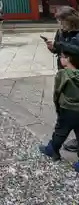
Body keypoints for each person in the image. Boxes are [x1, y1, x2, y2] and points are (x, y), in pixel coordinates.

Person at [39, 42, 79, 173]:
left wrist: (58, 107)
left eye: (61, 56)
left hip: (67, 109)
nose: (60, 58)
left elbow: (57, 92)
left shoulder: (63, 74)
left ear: (68, 59)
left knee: (60, 131)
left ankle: (53, 150)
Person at [45, 6, 79, 153]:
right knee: (68, 108)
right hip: (64, 74)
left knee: (70, 110)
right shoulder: (60, 32)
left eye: (62, 21)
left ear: (70, 20)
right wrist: (52, 47)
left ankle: (53, 147)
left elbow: (76, 49)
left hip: (76, 75)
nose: (60, 24)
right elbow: (59, 48)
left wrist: (59, 45)